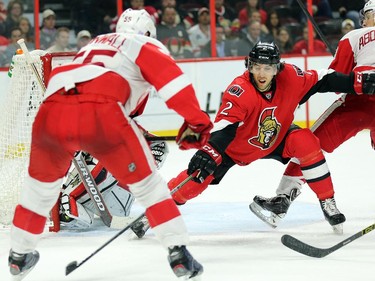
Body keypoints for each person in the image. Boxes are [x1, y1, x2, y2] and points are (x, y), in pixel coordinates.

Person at [8, 8, 212, 280]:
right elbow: (173, 84)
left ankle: (19, 256)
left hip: (52, 109)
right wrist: (198, 123)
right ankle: (178, 253)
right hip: (101, 111)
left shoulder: (95, 42)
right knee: (150, 187)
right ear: (149, 32)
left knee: (39, 190)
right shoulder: (145, 43)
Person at [166, 41, 375, 235]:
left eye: (267, 68)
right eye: (256, 67)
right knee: (195, 180)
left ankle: (327, 202)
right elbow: (225, 128)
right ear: (248, 66)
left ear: (277, 68)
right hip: (235, 150)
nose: (261, 73)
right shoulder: (239, 90)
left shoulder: (292, 77)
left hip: (276, 139)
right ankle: (160, 205)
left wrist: (356, 83)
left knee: (306, 140)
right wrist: (209, 151)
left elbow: (323, 79)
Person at [251, 0, 375, 229]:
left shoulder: (355, 35)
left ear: (366, 17)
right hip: (360, 102)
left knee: (309, 145)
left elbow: (338, 81)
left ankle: (282, 199)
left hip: (357, 105)